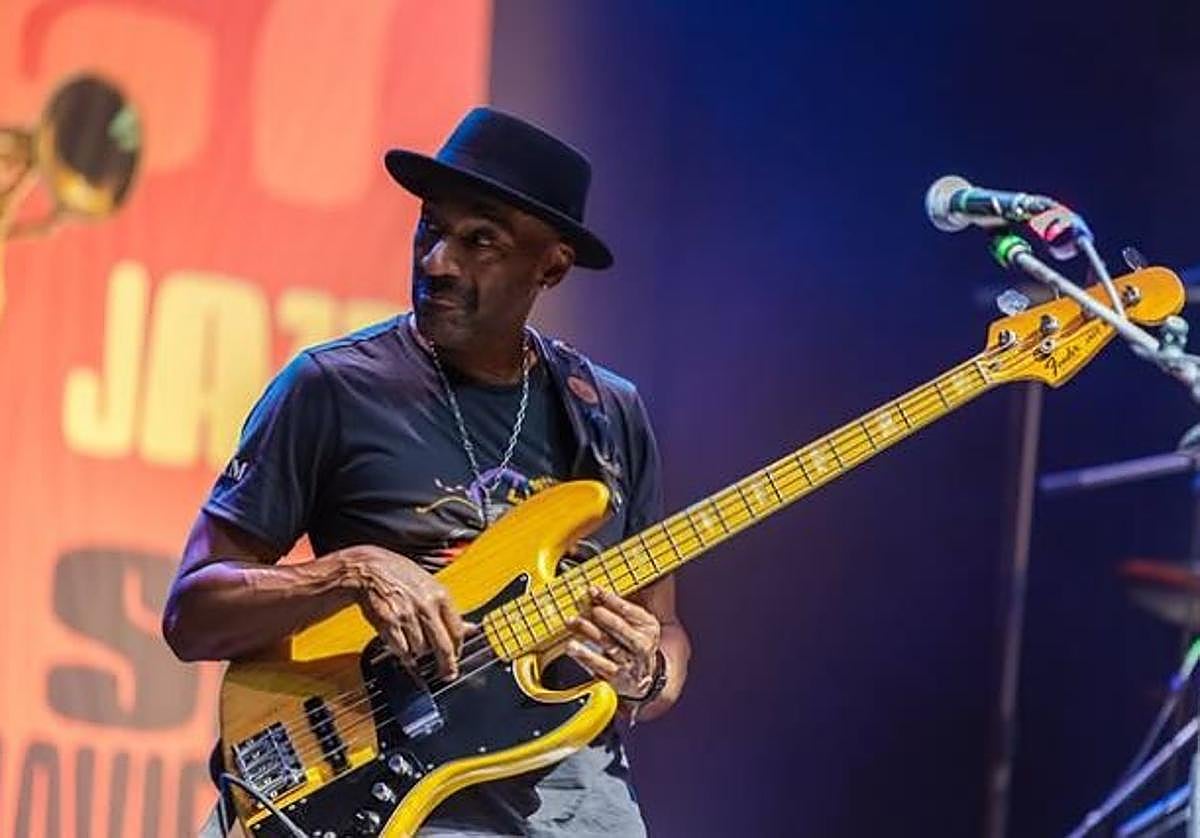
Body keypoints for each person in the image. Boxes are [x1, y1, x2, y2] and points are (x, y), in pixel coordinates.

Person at [163, 107, 691, 837]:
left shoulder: (608, 413)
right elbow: (192, 613)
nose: (437, 260)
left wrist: (650, 674)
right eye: (429, 228)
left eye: (479, 241)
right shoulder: (331, 386)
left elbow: (662, 629)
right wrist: (350, 570)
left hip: (571, 803)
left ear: (553, 265)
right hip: (379, 799)